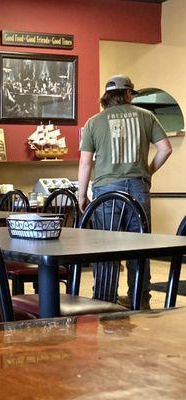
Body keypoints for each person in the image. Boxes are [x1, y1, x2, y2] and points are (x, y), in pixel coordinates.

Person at [78, 74, 172, 309]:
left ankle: (105, 299)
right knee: (140, 247)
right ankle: (140, 299)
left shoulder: (94, 122)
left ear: (107, 96)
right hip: (138, 189)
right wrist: (148, 172)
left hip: (106, 191)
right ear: (128, 93)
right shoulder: (146, 116)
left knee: (107, 247)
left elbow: (85, 163)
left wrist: (81, 194)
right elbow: (165, 149)